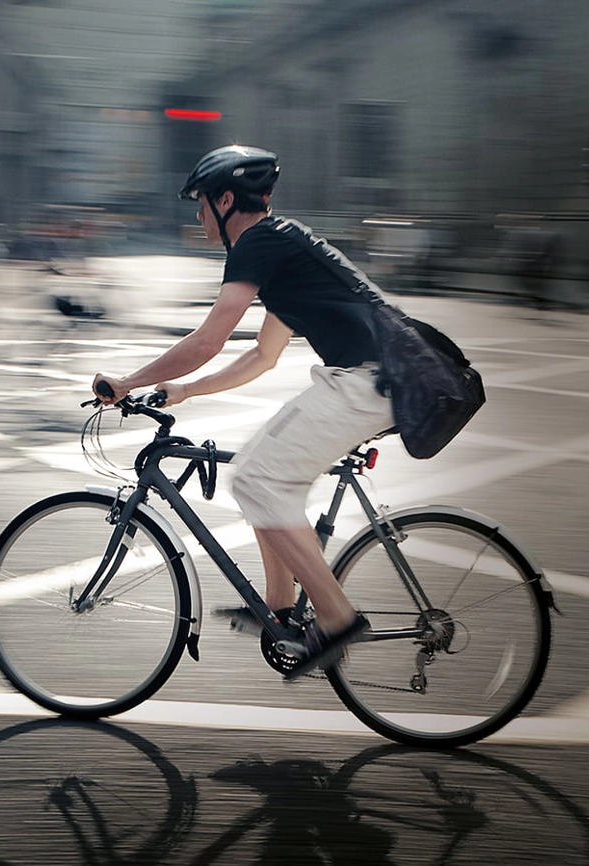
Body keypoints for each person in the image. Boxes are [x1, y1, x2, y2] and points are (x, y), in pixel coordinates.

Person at [91, 145, 390, 678]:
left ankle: (337, 616)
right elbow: (262, 355)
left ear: (227, 200)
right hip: (369, 378)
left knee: (255, 478)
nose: (198, 214)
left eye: (202, 203)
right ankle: (280, 611)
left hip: (369, 380)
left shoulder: (258, 243)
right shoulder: (281, 247)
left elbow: (209, 338)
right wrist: (185, 392)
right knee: (257, 470)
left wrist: (130, 380)